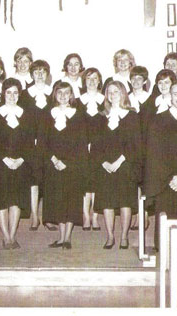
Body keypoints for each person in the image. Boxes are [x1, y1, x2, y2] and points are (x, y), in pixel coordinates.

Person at [143, 80, 177, 249]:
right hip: (164, 183)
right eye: (175, 94)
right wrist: (170, 177)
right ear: (169, 96)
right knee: (165, 230)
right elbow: (154, 154)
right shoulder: (157, 121)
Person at [90, 81, 140, 250]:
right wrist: (104, 162)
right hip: (105, 166)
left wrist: (119, 162)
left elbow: (135, 144)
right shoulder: (100, 117)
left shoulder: (132, 116)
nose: (113, 95)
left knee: (125, 202)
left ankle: (124, 236)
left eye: (116, 91)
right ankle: (110, 236)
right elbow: (95, 144)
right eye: (110, 92)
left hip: (125, 164)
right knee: (107, 202)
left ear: (123, 93)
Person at [39, 81, 89, 249]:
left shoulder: (78, 116)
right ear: (55, 95)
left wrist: (67, 162)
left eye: (66, 93)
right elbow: (43, 142)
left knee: (70, 200)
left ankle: (67, 237)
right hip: (53, 165)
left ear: (71, 95)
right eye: (59, 93)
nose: (63, 96)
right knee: (58, 200)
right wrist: (54, 160)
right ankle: (61, 238)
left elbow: (81, 143)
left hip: (72, 165)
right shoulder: (47, 115)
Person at [0, 78, 35, 249]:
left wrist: (21, 160)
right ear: (3, 94)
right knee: (2, 200)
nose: (12, 96)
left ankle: (13, 236)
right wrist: (5, 159)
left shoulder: (26, 115)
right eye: (9, 92)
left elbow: (30, 142)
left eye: (15, 93)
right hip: (1, 163)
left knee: (16, 200)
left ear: (19, 94)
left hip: (20, 164)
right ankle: (5, 237)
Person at [25, 59, 53, 230]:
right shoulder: (25, 94)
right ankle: (35, 216)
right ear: (32, 75)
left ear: (47, 74)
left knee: (49, 181)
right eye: (36, 72)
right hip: (32, 144)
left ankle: (48, 217)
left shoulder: (53, 93)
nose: (40, 75)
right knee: (34, 180)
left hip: (50, 143)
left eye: (43, 71)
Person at [80, 67, 104, 231]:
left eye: (95, 78)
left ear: (99, 81)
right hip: (82, 146)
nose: (92, 81)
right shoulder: (78, 101)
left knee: (97, 181)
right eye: (89, 78)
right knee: (85, 181)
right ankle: (85, 215)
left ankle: (95, 215)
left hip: (100, 146)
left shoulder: (105, 101)